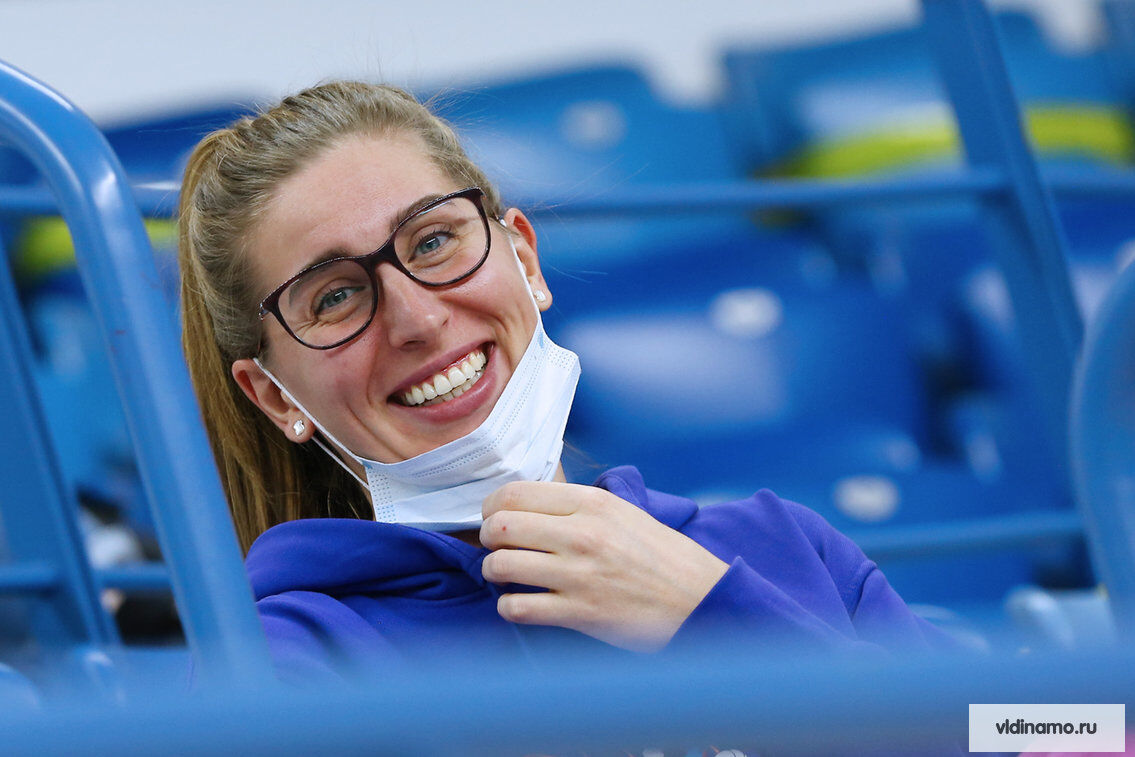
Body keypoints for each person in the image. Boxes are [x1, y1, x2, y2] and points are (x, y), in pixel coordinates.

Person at [177, 81, 958, 684]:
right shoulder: (272, 668)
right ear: (275, 396)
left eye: (435, 240)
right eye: (336, 296)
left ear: (525, 259)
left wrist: (714, 619)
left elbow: (1019, 731)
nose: (416, 317)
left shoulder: (779, 543)